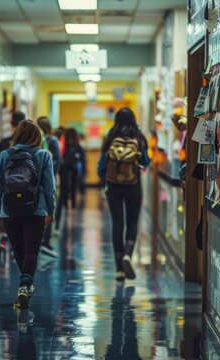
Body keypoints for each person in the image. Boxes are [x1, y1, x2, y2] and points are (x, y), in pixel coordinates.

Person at [0, 119, 56, 308]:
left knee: (18, 251)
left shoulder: (5, 155)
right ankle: (25, 285)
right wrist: (50, 211)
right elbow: (49, 188)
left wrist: (2, 209)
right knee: (31, 251)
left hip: (10, 211)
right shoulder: (44, 155)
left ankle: (25, 285)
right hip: (36, 211)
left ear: (17, 134)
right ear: (37, 136)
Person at [97, 108, 150, 281]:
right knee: (132, 222)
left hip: (113, 186)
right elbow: (146, 162)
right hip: (133, 185)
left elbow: (101, 167)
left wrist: (106, 181)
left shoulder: (111, 136)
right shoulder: (138, 136)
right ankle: (128, 254)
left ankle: (119, 268)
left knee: (117, 224)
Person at [0, 111, 26, 257]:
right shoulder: (29, 144)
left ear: (12, 124)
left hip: (6, 186)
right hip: (24, 187)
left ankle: (5, 239)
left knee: (6, 215)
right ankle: (16, 247)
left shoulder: (4, 142)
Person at [37, 116, 61, 258]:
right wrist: (52, 176)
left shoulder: (34, 140)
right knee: (50, 207)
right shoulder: (52, 141)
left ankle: (37, 241)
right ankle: (45, 241)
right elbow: (57, 159)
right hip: (47, 179)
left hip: (33, 182)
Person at [57, 128, 84, 219]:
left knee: (64, 186)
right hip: (74, 167)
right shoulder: (77, 145)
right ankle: (73, 204)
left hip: (64, 167)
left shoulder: (64, 144)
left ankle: (65, 203)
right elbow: (82, 158)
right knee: (73, 185)